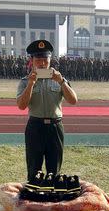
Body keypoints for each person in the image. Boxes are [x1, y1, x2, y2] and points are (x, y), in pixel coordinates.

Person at [16, 39, 78, 182]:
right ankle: (33, 199)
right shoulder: (25, 81)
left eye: (45, 58)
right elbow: (21, 105)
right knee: (33, 169)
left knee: (54, 171)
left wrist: (61, 82)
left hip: (55, 128)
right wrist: (31, 84)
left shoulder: (59, 79)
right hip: (35, 127)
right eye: (38, 59)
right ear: (32, 60)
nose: (42, 63)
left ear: (50, 59)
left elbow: (73, 100)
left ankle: (52, 200)